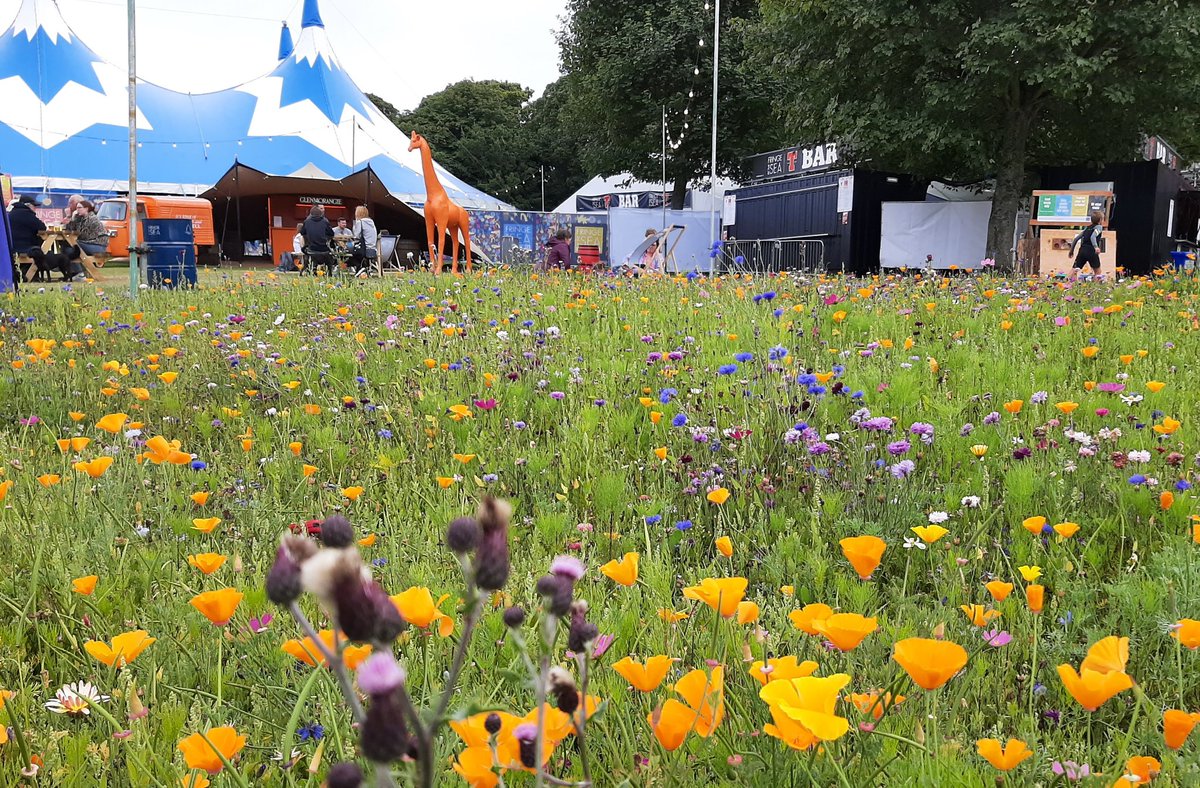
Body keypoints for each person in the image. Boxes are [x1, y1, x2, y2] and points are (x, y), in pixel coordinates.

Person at [8, 195, 50, 281]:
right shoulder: (28, 215)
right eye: (34, 206)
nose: (35, 208)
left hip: (10, 247)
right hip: (25, 248)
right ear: (28, 205)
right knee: (38, 250)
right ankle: (33, 276)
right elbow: (41, 227)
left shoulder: (10, 214)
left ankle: (23, 273)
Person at [1068, 211, 1105, 280]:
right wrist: (1096, 247)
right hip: (1091, 251)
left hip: (1082, 251)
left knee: (1074, 270)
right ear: (1100, 220)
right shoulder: (1099, 227)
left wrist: (1071, 251)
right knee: (1098, 272)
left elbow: (1076, 239)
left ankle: (1066, 284)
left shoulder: (1087, 228)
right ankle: (1095, 288)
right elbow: (1093, 237)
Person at [302, 205, 335, 275]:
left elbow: (302, 233)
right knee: (330, 256)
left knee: (308, 254)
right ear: (320, 213)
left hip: (311, 249)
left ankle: (310, 270)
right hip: (324, 249)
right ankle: (329, 273)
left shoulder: (306, 221)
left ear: (311, 213)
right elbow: (331, 234)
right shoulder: (325, 221)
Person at [349, 205, 377, 278]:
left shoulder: (360, 222)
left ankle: (359, 267)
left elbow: (356, 236)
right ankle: (362, 268)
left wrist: (354, 225)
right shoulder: (371, 222)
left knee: (346, 248)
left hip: (363, 248)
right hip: (372, 248)